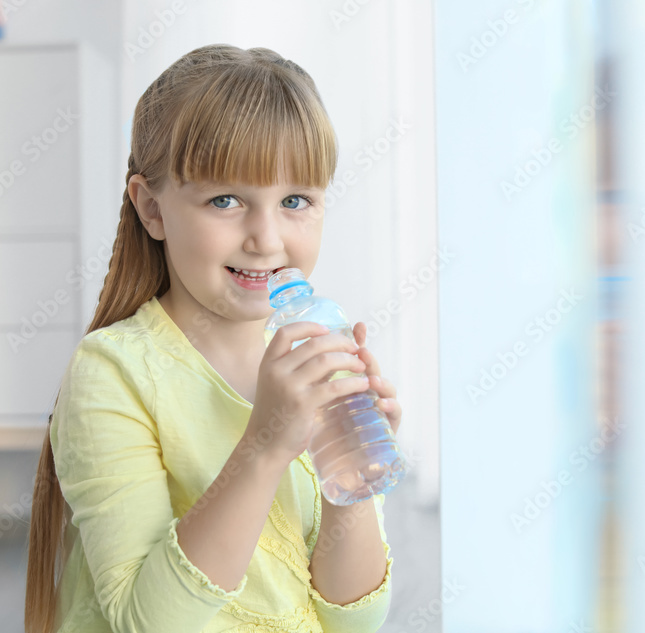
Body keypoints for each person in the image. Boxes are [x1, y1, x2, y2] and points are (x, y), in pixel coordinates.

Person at [24, 43, 404, 633]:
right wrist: (266, 444)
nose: (266, 237)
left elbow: (354, 620)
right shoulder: (113, 372)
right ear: (152, 208)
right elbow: (147, 622)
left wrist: (346, 479)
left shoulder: (319, 363)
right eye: (226, 200)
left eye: (296, 200)